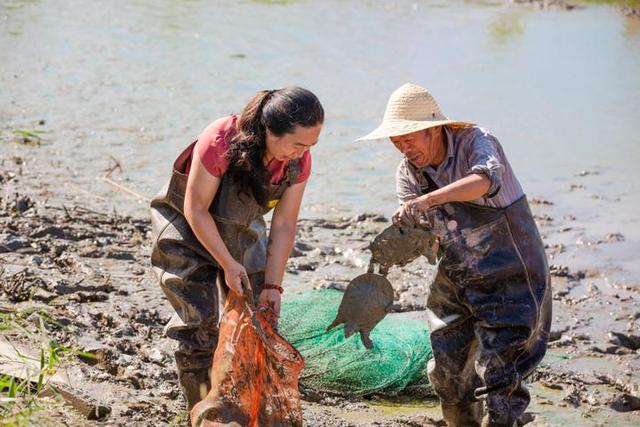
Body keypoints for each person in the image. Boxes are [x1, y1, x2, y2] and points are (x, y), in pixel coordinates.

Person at [358, 83, 551, 427]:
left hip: (512, 274)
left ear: (433, 129)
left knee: (501, 377)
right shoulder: (408, 174)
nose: (402, 148)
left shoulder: (476, 141)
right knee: (447, 372)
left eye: (408, 138)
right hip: (458, 272)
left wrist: (429, 201)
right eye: (396, 141)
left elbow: (485, 180)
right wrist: (408, 236)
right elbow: (430, 240)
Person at [150, 87, 324, 410]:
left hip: (243, 231)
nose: (303, 153)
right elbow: (196, 209)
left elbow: (284, 225)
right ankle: (201, 411)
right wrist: (228, 264)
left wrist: (273, 285)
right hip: (187, 230)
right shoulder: (221, 139)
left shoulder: (298, 162)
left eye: (311, 145)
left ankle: (243, 408)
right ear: (271, 131)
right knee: (198, 326)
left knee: (261, 319)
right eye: (298, 144)